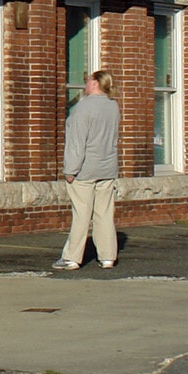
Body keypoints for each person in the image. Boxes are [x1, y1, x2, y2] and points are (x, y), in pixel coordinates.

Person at [56, 69, 120, 269]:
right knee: (104, 213)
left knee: (81, 214)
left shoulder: (84, 108)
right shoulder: (113, 106)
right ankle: (108, 256)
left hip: (85, 170)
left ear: (94, 83)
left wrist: (70, 170)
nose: (85, 85)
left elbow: (77, 143)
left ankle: (72, 257)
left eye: (87, 81)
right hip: (107, 168)